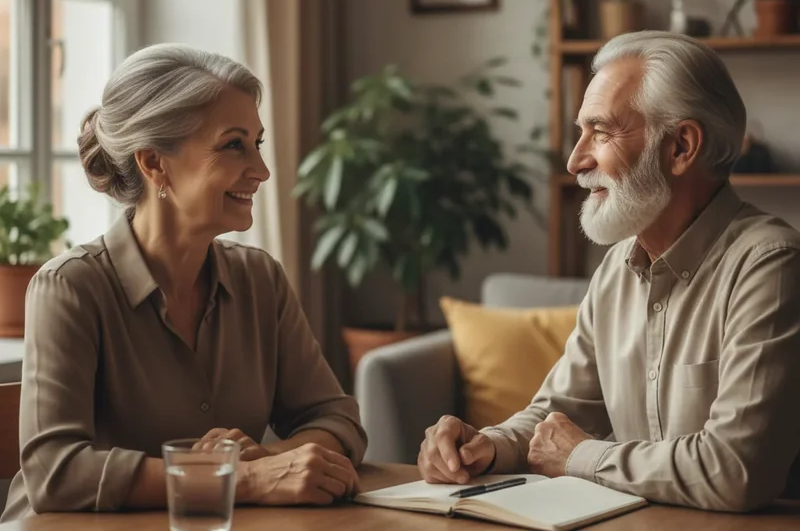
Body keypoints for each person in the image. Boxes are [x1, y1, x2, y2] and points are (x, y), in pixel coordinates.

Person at [418, 31, 800, 511]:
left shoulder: (770, 264)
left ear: (681, 147)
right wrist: (486, 447)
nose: (576, 160)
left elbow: (735, 469)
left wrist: (582, 456)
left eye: (601, 132)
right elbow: (555, 416)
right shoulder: (617, 266)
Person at [2, 44, 367, 520]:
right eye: (233, 144)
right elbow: (55, 472)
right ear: (154, 163)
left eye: (256, 143)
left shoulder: (261, 280)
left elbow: (337, 420)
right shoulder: (69, 288)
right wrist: (240, 478)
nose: (261, 170)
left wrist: (269, 461)